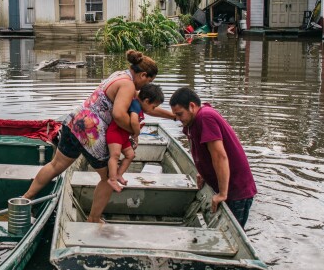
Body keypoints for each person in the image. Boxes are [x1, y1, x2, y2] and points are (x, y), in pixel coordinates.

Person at [22, 50, 175, 223]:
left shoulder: (120, 76)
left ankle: (26, 199)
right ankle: (94, 218)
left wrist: (173, 116)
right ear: (143, 75)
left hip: (74, 121)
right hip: (91, 132)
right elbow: (118, 114)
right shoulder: (129, 86)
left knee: (56, 165)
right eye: (149, 81)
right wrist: (134, 132)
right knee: (109, 177)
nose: (146, 87)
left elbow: (146, 107)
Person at [169, 87, 257, 228]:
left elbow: (219, 156)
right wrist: (203, 172)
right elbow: (204, 151)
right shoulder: (193, 121)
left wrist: (222, 193)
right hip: (227, 187)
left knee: (231, 232)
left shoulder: (205, 117)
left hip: (236, 190)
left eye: (180, 114)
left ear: (192, 106)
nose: (177, 119)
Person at [106, 83, 165, 187]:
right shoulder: (136, 105)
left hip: (124, 136)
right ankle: (112, 179)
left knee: (130, 155)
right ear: (146, 101)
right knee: (115, 155)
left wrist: (135, 137)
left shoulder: (139, 107)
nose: (153, 110)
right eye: (153, 107)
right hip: (115, 133)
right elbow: (134, 121)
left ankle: (119, 175)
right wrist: (136, 133)